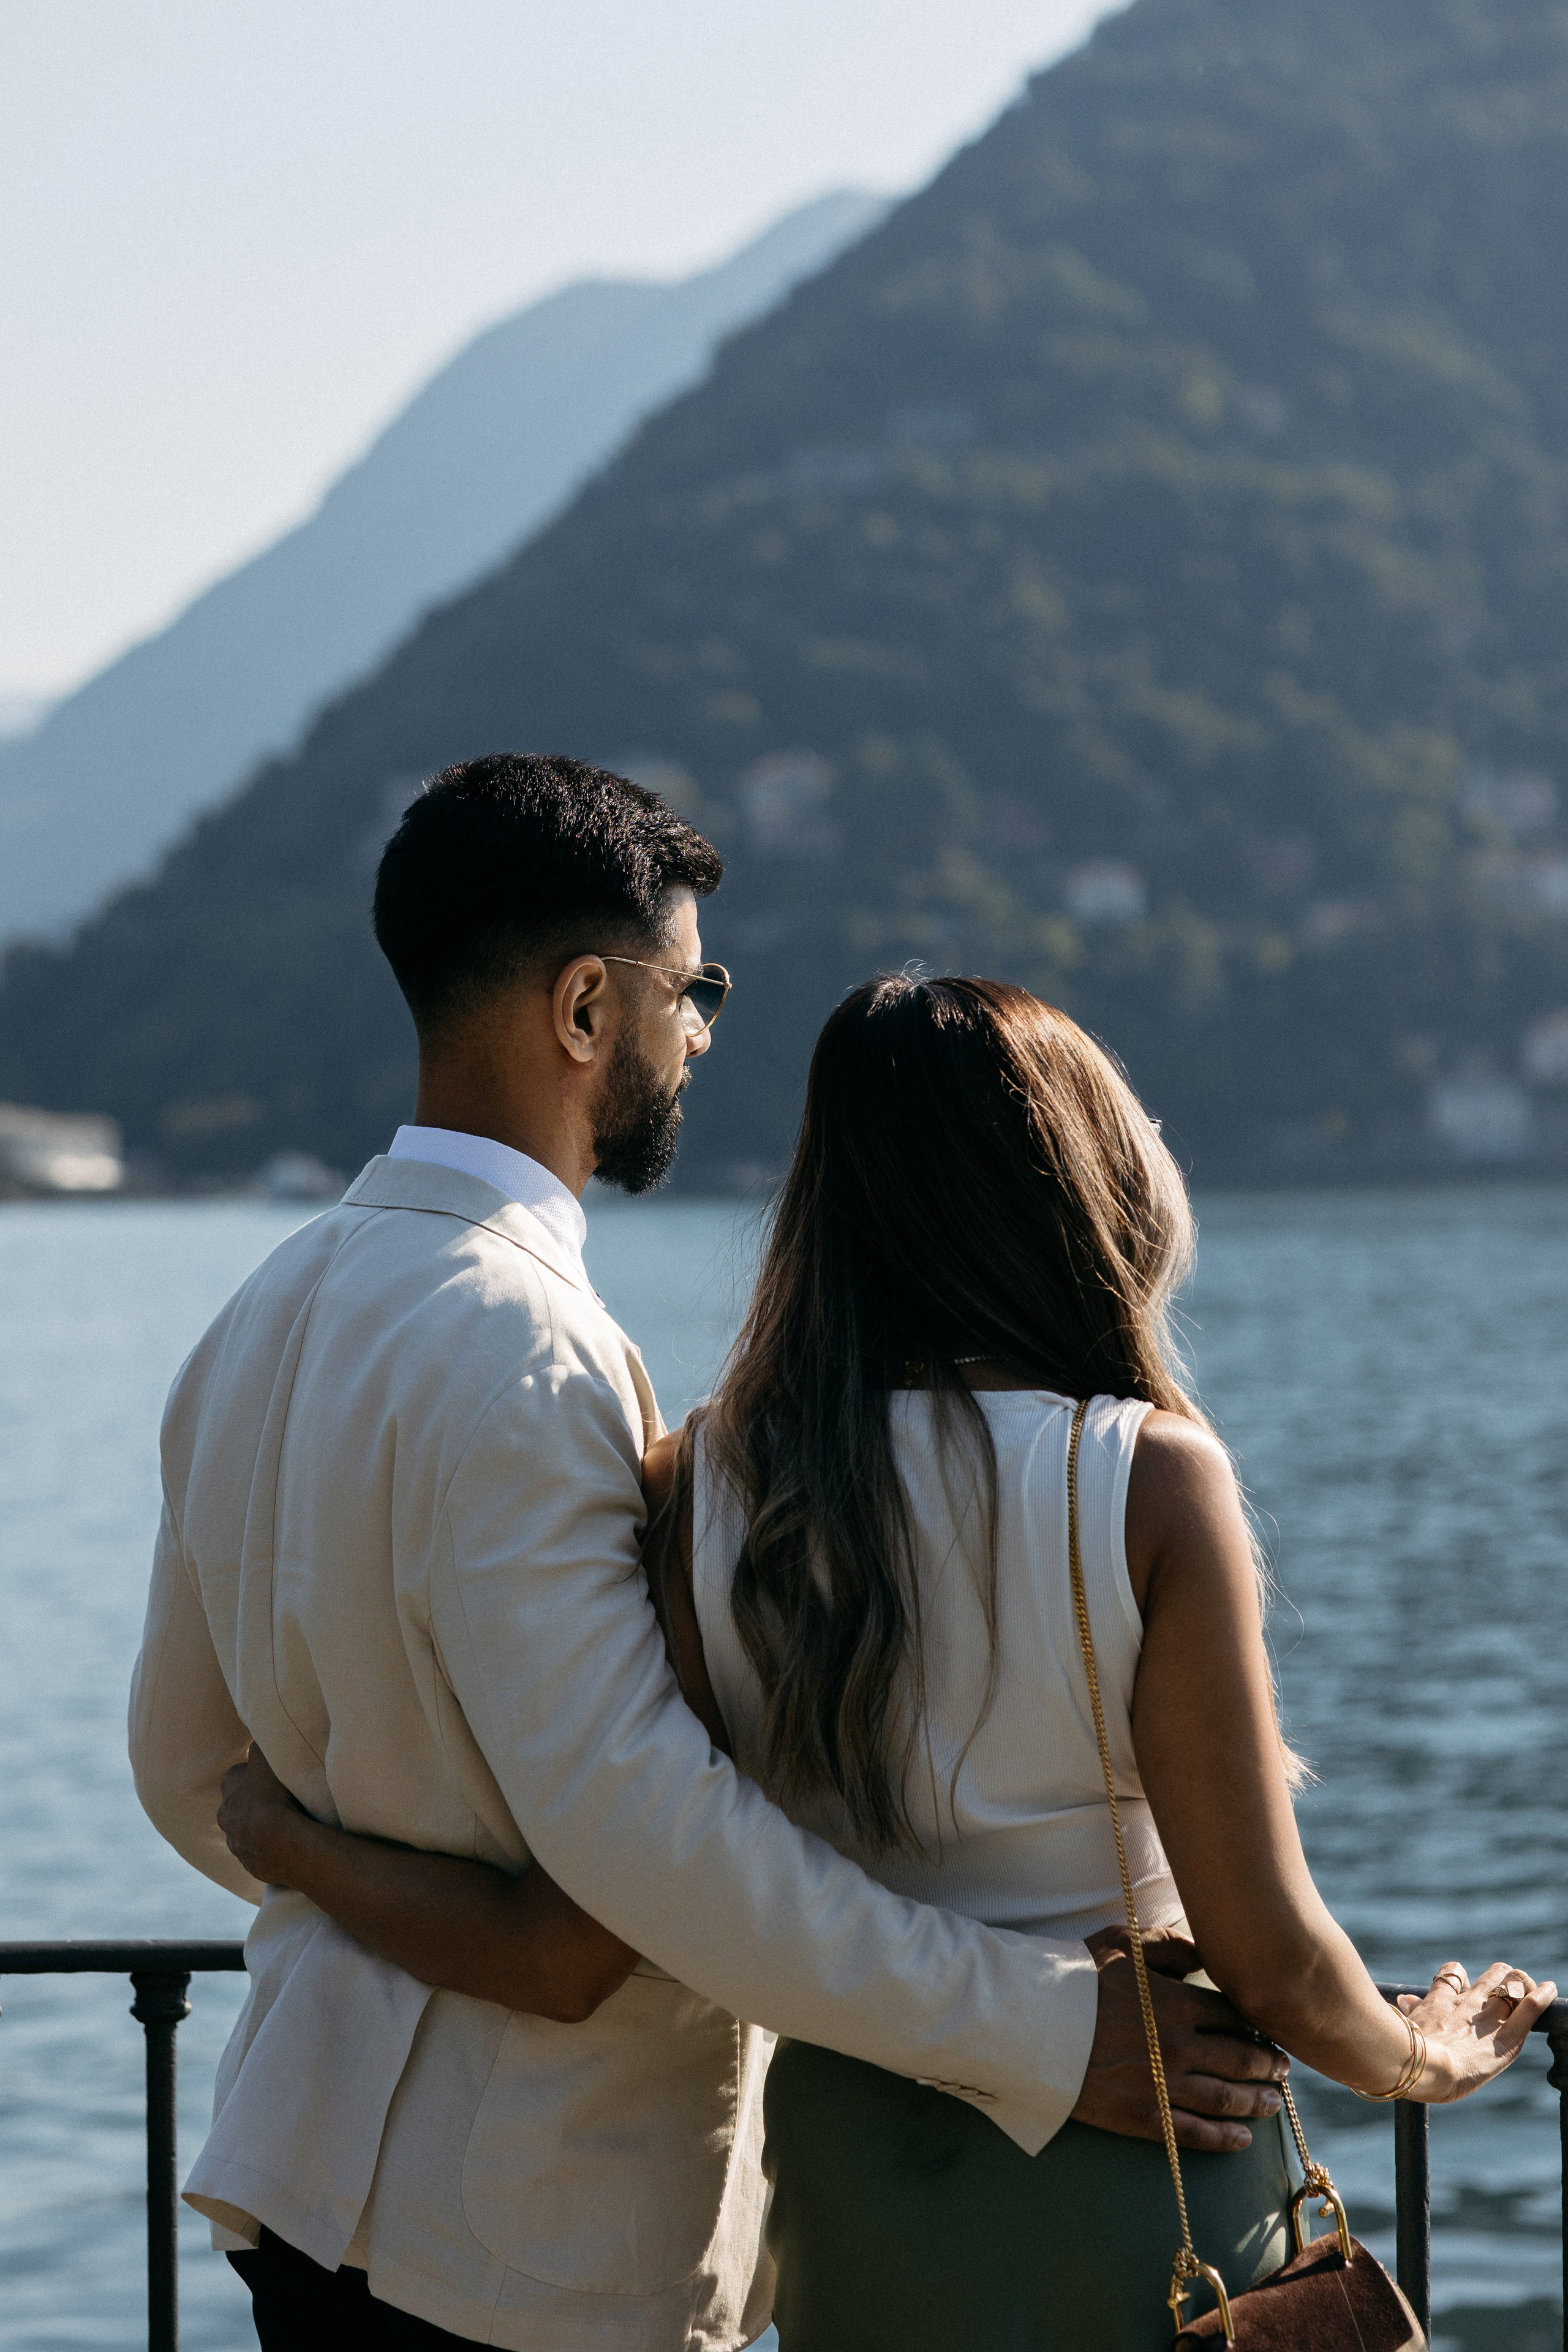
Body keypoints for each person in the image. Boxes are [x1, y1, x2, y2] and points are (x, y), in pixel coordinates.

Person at [130, 760, 1288, 2352]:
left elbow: (190, 1771)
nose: (703, 1038)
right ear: (588, 1009)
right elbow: (644, 1861)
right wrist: (1046, 2031)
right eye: (697, 991)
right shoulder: (532, 1352)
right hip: (527, 2229)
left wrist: (328, 1858)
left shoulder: (257, 1313)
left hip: (299, 2173)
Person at [217, 971, 1553, 2349]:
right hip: (1142, 2173)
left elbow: (587, 1922)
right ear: (1074, 1183)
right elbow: (1268, 1961)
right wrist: (1431, 2052)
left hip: (853, 2193)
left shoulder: (704, 1488)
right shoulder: (1143, 1481)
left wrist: (278, 1830)